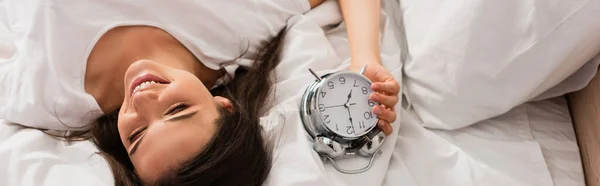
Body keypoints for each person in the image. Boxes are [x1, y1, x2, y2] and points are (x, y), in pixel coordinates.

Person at [0, 0, 400, 185]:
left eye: (136, 136)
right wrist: (364, 58)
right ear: (223, 105)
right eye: (177, 110)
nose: (142, 102)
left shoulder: (47, 99)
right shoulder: (237, 26)